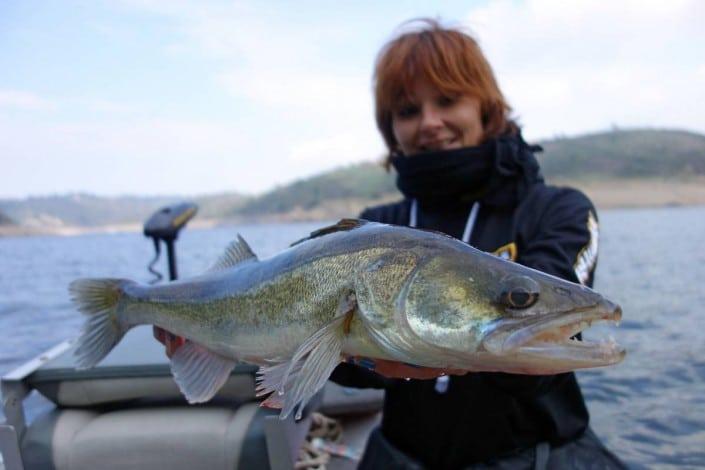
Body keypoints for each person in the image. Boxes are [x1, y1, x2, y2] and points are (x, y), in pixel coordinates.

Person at [157, 18, 625, 469]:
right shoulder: (375, 227)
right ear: (391, 128)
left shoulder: (558, 210)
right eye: (408, 110)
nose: (431, 122)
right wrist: (354, 355)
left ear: (486, 106)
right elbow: (341, 359)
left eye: (448, 99)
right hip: (402, 457)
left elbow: (554, 358)